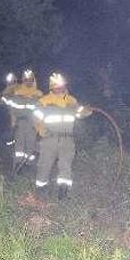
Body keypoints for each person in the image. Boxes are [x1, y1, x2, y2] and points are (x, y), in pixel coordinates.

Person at [32, 72, 91, 200]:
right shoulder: (44, 101)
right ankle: (41, 189)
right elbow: (35, 117)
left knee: (66, 165)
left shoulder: (71, 101)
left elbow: (80, 113)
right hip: (49, 139)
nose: (60, 88)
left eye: (62, 85)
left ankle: (63, 192)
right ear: (51, 87)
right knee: (45, 164)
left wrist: (86, 111)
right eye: (56, 86)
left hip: (67, 139)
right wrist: (41, 130)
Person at [5, 69, 43, 171]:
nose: (28, 81)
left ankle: (28, 165)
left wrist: (39, 126)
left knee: (31, 145)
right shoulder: (17, 93)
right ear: (23, 80)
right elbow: (12, 110)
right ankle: (17, 165)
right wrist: (13, 123)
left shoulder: (38, 94)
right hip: (20, 123)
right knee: (19, 145)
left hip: (32, 124)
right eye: (26, 79)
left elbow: (41, 111)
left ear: (33, 80)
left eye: (30, 79)